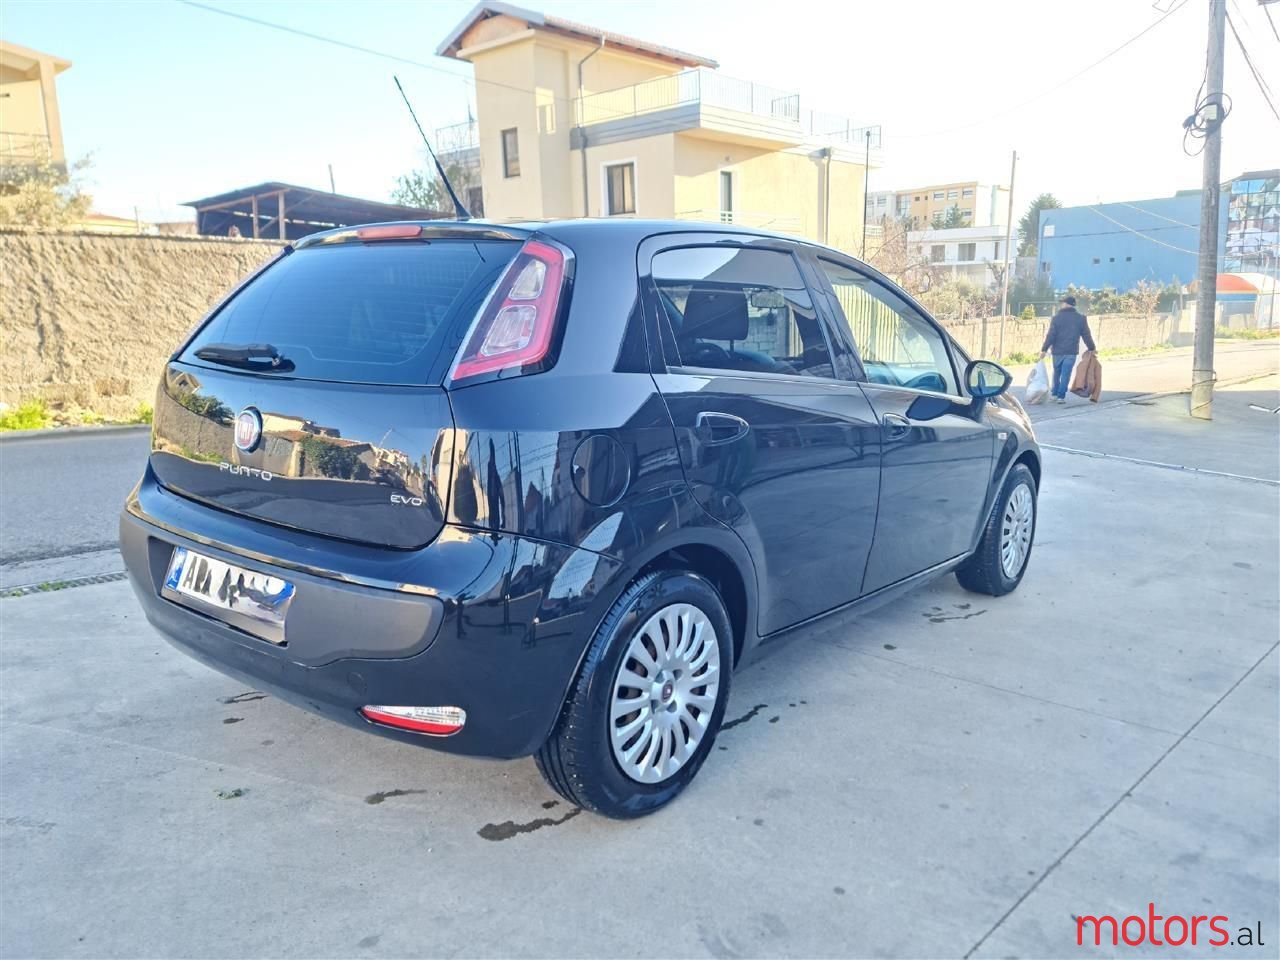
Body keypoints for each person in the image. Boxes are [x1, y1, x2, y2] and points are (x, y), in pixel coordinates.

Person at [1038, 295, 1096, 404]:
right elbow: (1086, 335)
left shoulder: (1056, 318)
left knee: (1057, 373)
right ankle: (1061, 397)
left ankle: (1054, 394)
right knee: (1066, 374)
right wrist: (1092, 348)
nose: (1061, 305)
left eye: (1062, 303)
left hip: (1057, 351)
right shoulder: (1081, 318)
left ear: (1066, 304)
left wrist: (1044, 349)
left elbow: (1051, 335)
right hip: (1071, 351)